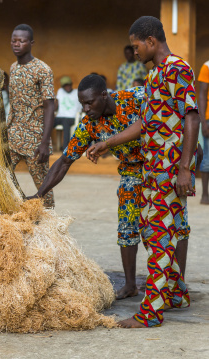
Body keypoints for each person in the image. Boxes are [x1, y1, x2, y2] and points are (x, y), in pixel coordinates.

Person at [88, 16, 200, 328]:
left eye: (136, 45)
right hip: (152, 170)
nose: (134, 51)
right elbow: (144, 124)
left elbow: (192, 117)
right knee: (155, 233)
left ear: (151, 41)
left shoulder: (178, 68)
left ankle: (150, 313)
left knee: (160, 236)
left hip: (169, 170)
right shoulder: (153, 76)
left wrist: (184, 169)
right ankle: (176, 294)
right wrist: (106, 142)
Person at [29, 74, 146, 300]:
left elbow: (170, 113)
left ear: (104, 95)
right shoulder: (89, 124)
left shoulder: (136, 97)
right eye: (82, 103)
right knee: (126, 226)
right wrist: (39, 194)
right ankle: (130, 284)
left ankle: (174, 285)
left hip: (158, 166)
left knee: (165, 226)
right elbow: (64, 161)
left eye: (89, 102)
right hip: (131, 171)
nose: (85, 108)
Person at [7, 24, 56, 208]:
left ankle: (50, 222)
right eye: (14, 40)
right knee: (2, 174)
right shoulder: (13, 68)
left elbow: (49, 106)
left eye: (22, 40)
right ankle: (16, 207)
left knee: (44, 186)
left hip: (35, 138)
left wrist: (45, 142)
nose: (17, 44)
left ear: (31, 43)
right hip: (13, 134)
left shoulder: (43, 70)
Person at [54, 76, 82, 150]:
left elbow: (82, 106)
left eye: (69, 85)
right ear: (62, 86)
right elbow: (56, 106)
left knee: (66, 123)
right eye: (65, 85)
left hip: (71, 118)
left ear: (71, 84)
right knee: (48, 122)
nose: (67, 87)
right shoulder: (60, 91)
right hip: (60, 117)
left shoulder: (77, 92)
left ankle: (65, 148)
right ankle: (43, 146)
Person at [197, 60, 209, 204]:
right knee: (207, 157)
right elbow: (202, 94)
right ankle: (205, 195)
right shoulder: (207, 66)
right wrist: (203, 122)